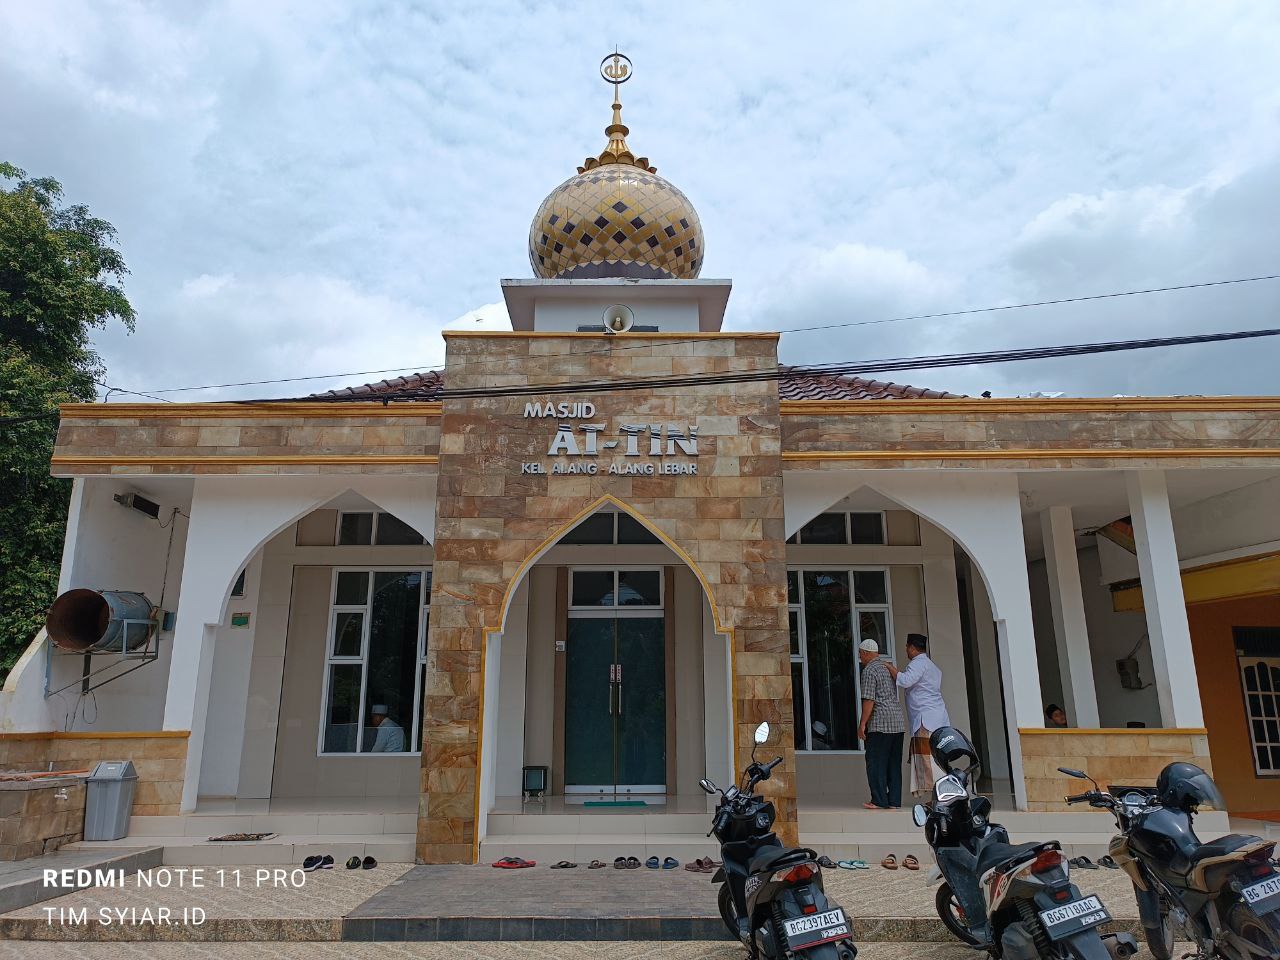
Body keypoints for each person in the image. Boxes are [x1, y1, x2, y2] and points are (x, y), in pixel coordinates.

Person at [886, 634, 951, 796]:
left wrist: (889, 667)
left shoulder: (919, 663)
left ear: (913, 648)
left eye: (907, 647)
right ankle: (938, 794)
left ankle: (938, 795)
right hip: (936, 717)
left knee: (928, 759)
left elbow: (906, 680)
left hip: (925, 719)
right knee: (934, 758)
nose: (906, 651)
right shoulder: (931, 665)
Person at [857, 638, 905, 810]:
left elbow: (869, 700)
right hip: (897, 723)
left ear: (865, 653)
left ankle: (878, 800)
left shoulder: (870, 670)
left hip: (881, 724)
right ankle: (894, 801)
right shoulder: (886, 667)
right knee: (893, 763)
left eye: (860, 654)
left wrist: (862, 723)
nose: (860, 657)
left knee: (875, 762)